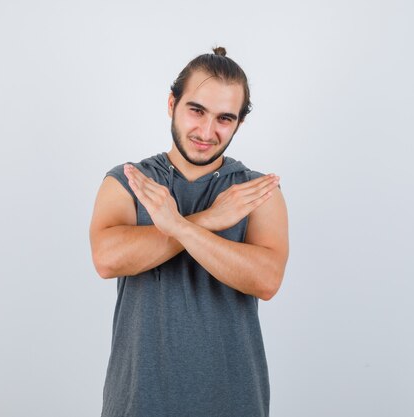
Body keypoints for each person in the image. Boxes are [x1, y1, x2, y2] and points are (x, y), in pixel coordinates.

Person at [89, 47, 289, 417]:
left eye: (224, 118)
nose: (207, 131)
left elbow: (266, 280)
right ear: (172, 104)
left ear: (238, 124)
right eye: (196, 110)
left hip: (234, 402)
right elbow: (107, 259)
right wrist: (209, 220)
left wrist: (177, 225)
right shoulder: (130, 181)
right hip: (139, 402)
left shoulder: (256, 192)